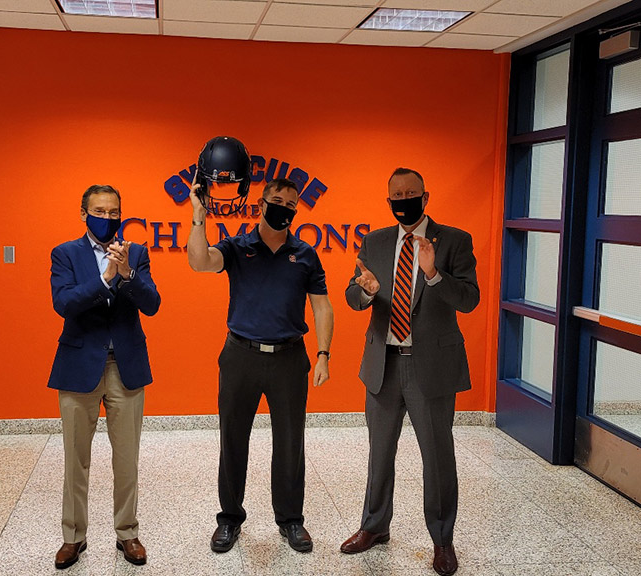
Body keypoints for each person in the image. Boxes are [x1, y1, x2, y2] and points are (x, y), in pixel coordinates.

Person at [341, 168, 479, 576]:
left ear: (425, 196)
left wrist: (435, 274)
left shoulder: (454, 240)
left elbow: (469, 299)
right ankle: (374, 527)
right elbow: (354, 295)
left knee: (437, 457)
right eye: (396, 194)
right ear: (388, 201)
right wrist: (364, 290)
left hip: (430, 367)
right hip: (382, 365)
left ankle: (442, 539)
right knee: (379, 453)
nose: (404, 199)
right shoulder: (377, 241)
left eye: (411, 193)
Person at [188, 177, 334, 554]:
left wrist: (323, 354)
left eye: (290, 202)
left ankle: (290, 520)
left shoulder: (305, 254)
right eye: (276, 200)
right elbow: (200, 263)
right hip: (240, 356)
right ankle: (229, 519)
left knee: (290, 443)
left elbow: (322, 305)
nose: (283, 206)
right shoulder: (237, 247)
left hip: (289, 358)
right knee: (233, 440)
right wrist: (198, 218)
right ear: (260, 204)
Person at [48, 185, 161, 569]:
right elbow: (64, 303)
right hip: (79, 367)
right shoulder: (65, 253)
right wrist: (104, 278)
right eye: (99, 211)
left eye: (114, 212)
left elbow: (153, 304)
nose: (108, 218)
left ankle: (127, 532)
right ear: (83, 213)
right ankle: (73, 537)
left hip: (125, 367)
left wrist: (127, 274)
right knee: (75, 459)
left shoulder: (138, 253)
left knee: (126, 458)